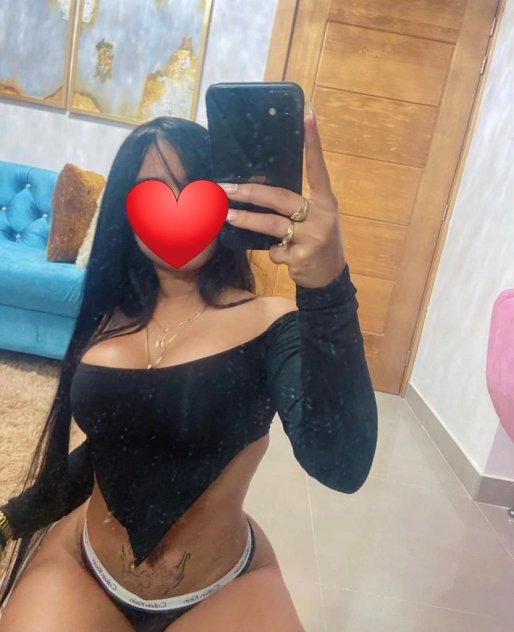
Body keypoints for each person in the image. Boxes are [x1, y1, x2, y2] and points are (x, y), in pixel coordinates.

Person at [0, 109, 377, 631]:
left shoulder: (272, 324)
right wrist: (11, 518)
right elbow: (112, 447)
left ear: (228, 201)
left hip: (221, 589)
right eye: (152, 192)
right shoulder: (109, 319)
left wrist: (328, 289)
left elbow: (342, 463)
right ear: (125, 212)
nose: (175, 208)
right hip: (84, 570)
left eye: (195, 189)